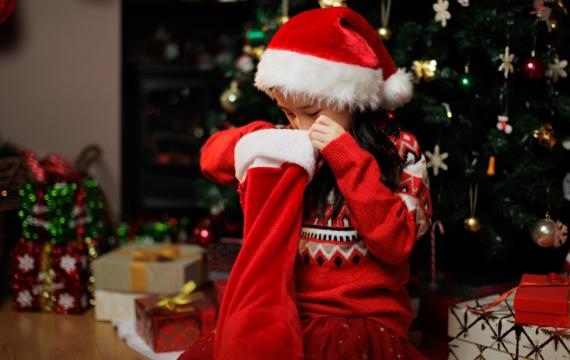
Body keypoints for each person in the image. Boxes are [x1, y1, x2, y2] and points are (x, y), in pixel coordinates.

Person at [184, 6, 432, 360]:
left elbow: (395, 242)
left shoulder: (401, 150)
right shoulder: (291, 143)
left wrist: (347, 158)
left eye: (313, 113)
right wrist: (259, 137)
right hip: (290, 312)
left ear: (350, 97)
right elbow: (211, 159)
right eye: (288, 112)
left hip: (363, 321)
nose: (301, 125)